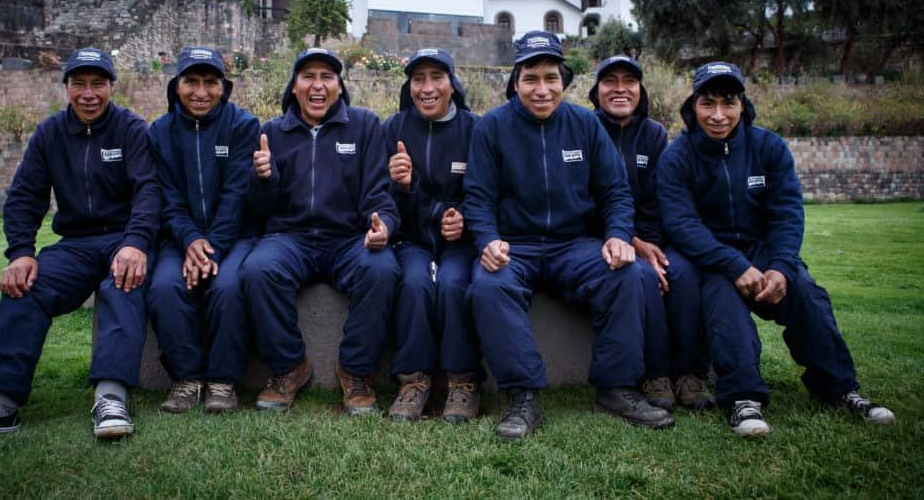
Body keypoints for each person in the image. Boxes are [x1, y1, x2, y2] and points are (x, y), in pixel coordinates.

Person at [0, 48, 159, 444]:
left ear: (111, 87)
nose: (89, 94)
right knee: (24, 287)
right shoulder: (49, 133)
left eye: (98, 84)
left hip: (122, 239)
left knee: (124, 283)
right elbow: (24, 197)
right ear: (66, 87)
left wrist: (136, 243)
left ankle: (111, 398)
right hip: (75, 245)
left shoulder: (131, 129)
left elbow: (148, 191)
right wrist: (21, 253)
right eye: (79, 84)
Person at [657, 61, 895, 436]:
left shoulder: (769, 146)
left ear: (742, 104)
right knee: (723, 299)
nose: (718, 115)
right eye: (708, 104)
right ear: (693, 106)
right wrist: (734, 265)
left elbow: (787, 212)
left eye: (728, 103)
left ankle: (840, 389)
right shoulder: (678, 155)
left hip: (765, 251)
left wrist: (782, 266)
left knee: (806, 291)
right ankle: (743, 399)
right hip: (713, 257)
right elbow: (681, 224)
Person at [463, 31, 674, 441]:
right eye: (531, 78)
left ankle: (617, 388)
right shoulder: (491, 127)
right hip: (514, 246)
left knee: (629, 275)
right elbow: (478, 196)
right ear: (516, 82)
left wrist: (616, 235)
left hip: (573, 246)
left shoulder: (585, 125)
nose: (542, 89)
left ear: (564, 80)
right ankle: (522, 397)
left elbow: (615, 191)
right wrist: (487, 239)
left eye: (551, 78)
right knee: (488, 286)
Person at [241, 48, 400, 415]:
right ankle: (289, 368)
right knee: (257, 269)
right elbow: (260, 209)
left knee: (382, 269)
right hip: (290, 238)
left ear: (340, 87)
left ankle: (356, 372)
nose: (318, 85)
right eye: (308, 76)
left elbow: (379, 192)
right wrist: (263, 179)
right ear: (294, 87)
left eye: (327, 77)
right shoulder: (272, 133)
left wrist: (384, 224)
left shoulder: (364, 125)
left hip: (348, 239)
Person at [589, 55, 714, 411]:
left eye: (628, 81)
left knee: (684, 273)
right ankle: (655, 373)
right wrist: (632, 242)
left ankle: (691, 372)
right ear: (596, 91)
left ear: (639, 90)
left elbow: (659, 199)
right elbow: (586, 200)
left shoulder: (654, 134)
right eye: (609, 81)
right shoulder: (585, 129)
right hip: (603, 238)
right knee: (643, 276)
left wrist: (652, 245)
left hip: (650, 237)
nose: (619, 89)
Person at [147, 47, 261, 414]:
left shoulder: (242, 125)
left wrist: (211, 247)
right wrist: (190, 240)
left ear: (223, 88)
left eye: (210, 83)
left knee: (227, 285)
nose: (201, 91)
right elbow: (167, 197)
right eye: (191, 81)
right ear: (176, 86)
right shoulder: (160, 132)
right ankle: (186, 379)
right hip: (180, 238)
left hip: (235, 236)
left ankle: (223, 380)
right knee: (166, 286)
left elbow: (236, 194)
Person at [383, 48, 481, 423]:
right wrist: (401, 186)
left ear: (452, 84)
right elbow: (383, 198)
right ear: (409, 86)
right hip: (412, 239)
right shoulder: (394, 129)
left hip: (460, 242)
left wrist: (466, 219)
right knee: (413, 284)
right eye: (418, 79)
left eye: (436, 78)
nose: (427, 88)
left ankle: (462, 382)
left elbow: (488, 190)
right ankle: (413, 382)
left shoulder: (475, 129)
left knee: (456, 284)